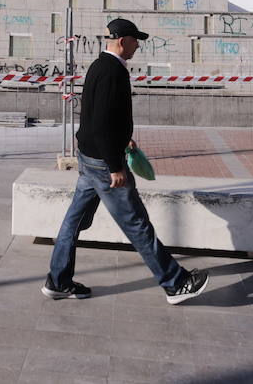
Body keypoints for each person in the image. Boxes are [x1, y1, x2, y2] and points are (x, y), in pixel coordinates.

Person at [44, 17, 209, 305]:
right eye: (135, 41)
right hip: (103, 164)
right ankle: (175, 283)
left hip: (90, 158)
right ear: (123, 41)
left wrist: (123, 140)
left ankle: (58, 281)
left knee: (74, 221)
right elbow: (102, 123)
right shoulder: (113, 72)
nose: (137, 46)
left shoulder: (99, 66)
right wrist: (115, 166)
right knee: (136, 223)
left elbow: (97, 116)